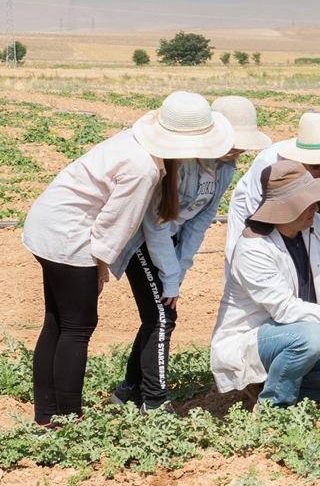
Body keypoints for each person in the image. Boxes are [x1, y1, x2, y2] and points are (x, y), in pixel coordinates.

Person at [21, 91, 235, 427]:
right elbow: (113, 224)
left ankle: (47, 418)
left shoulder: (139, 145)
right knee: (77, 327)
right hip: (70, 233)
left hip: (49, 223)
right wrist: (100, 268)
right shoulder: (144, 169)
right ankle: (67, 420)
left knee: (57, 323)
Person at [108, 97, 272, 413]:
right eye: (233, 144)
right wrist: (170, 277)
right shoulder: (182, 162)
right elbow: (155, 225)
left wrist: (180, 266)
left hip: (169, 244)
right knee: (162, 317)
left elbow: (201, 219)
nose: (237, 152)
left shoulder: (225, 166)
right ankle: (154, 404)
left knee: (157, 314)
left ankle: (128, 390)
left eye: (242, 147)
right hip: (140, 239)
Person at [211, 160, 320, 409]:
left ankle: (276, 385)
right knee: (310, 335)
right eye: (307, 202)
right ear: (285, 208)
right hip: (260, 340)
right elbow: (285, 310)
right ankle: (273, 407)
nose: (316, 207)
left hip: (302, 337)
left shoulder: (316, 226)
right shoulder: (253, 248)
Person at [224, 113, 320, 279]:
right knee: (248, 268)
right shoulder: (270, 162)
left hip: (312, 218)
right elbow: (256, 215)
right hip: (261, 215)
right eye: (318, 165)